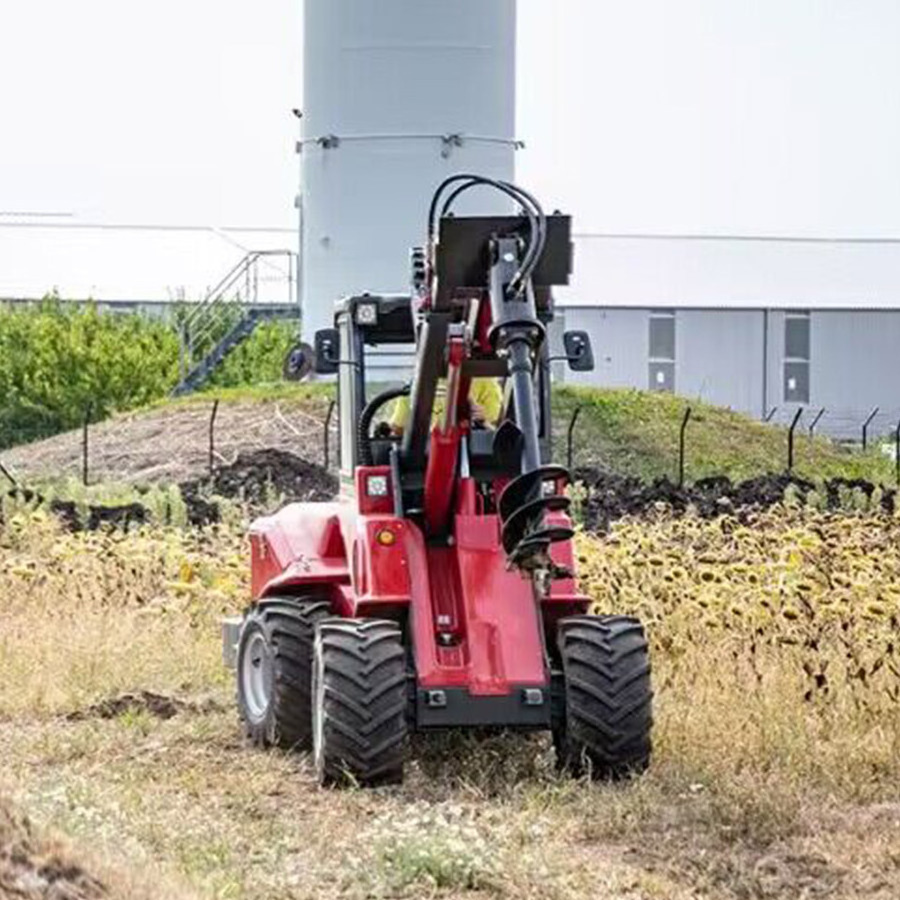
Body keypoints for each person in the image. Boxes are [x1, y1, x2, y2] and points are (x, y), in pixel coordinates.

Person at [389, 377, 503, 437]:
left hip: (471, 450)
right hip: (426, 453)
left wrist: (481, 420)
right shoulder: (417, 383)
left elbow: (495, 425)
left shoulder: (486, 381)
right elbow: (398, 428)